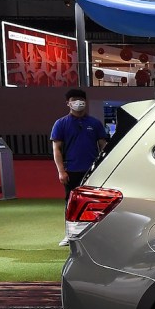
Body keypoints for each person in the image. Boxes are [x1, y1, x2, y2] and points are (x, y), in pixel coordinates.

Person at [51, 89, 108, 245]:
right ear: (68, 103)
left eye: (81, 99)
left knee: (94, 202)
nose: (78, 102)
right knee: (71, 204)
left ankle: (93, 234)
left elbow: (104, 146)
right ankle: (70, 235)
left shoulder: (95, 123)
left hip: (93, 171)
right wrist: (61, 171)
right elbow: (56, 149)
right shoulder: (61, 124)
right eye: (74, 99)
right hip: (72, 170)